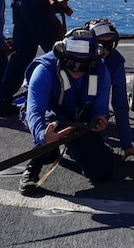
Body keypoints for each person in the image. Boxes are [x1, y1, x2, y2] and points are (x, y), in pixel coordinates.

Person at [19, 27, 112, 195]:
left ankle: (77, 148)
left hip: (80, 119)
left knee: (101, 173)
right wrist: (42, 136)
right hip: (53, 117)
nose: (77, 70)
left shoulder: (101, 69)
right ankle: (34, 166)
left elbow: (101, 104)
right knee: (52, 128)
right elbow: (34, 110)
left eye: (83, 66)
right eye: (72, 64)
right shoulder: (44, 70)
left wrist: (99, 119)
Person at [85, 18, 134, 162]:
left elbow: (120, 105)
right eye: (101, 44)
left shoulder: (115, 61)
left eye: (110, 44)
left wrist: (127, 144)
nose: (106, 50)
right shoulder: (77, 57)